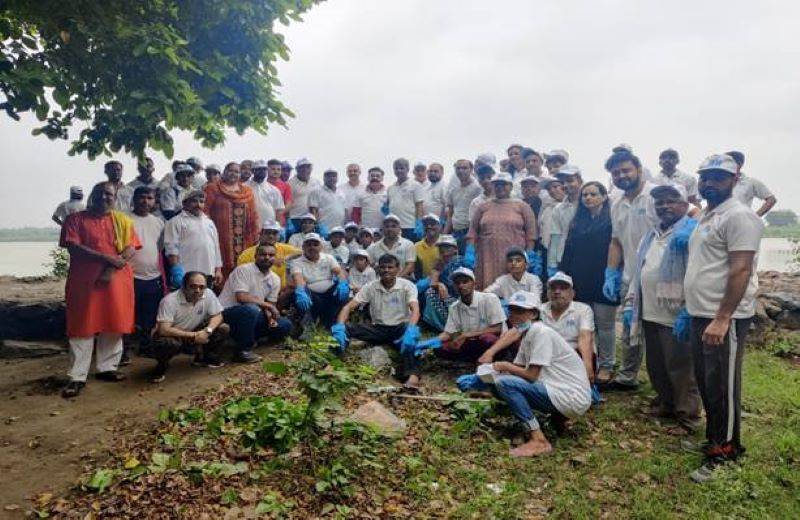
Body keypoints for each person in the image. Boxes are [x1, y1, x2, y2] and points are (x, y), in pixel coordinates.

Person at [683, 154, 764, 482]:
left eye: (718, 177)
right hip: (701, 312)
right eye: (705, 177)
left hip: (723, 316)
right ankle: (714, 438)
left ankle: (726, 453)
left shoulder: (741, 216)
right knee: (707, 381)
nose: (709, 183)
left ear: (735, 179)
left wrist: (723, 317)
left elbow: (741, 268)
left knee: (723, 385)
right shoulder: (709, 215)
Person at [470, 291, 591, 457]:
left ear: (534, 313)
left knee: (504, 384)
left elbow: (531, 375)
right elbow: (516, 368)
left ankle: (538, 439)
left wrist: (505, 367)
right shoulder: (528, 335)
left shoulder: (540, 332)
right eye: (512, 311)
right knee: (499, 383)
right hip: (563, 391)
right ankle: (558, 421)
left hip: (572, 396)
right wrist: (485, 375)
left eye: (521, 311)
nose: (515, 316)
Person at [624, 184, 700, 434]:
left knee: (681, 367)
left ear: (684, 203)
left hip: (676, 315)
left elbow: (697, 273)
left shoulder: (691, 232)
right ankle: (667, 404)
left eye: (671, 201)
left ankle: (687, 417)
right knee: (657, 364)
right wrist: (631, 302)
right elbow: (640, 269)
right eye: (659, 202)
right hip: (649, 311)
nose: (664, 206)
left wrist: (689, 309)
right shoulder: (652, 234)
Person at [59, 182, 140, 398]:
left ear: (115, 198)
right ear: (91, 196)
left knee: (114, 323)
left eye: (109, 194)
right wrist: (105, 258)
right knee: (82, 325)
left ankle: (107, 368)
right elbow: (73, 246)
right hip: (84, 282)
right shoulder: (75, 219)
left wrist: (115, 264)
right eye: (100, 193)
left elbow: (132, 246)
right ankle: (77, 376)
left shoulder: (123, 220)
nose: (105, 197)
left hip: (117, 280)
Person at [603, 149, 659, 390]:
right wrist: (611, 272)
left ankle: (665, 388)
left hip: (658, 276)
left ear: (638, 168)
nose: (621, 176)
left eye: (626, 170)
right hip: (629, 278)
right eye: (616, 173)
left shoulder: (655, 195)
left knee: (658, 334)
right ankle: (628, 377)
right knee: (629, 330)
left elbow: (688, 215)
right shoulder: (617, 203)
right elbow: (616, 241)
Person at [331, 254, 421, 388]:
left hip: (400, 327)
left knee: (410, 342)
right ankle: (334, 360)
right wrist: (339, 326)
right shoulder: (371, 286)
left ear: (397, 269)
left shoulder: (407, 286)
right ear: (378, 269)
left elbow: (415, 310)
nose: (386, 270)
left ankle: (412, 377)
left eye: (390, 267)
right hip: (378, 328)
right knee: (345, 329)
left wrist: (411, 329)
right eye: (383, 267)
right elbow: (348, 307)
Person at [559, 181, 617, 383]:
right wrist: (564, 275)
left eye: (593, 194)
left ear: (604, 196)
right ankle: (588, 361)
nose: (588, 198)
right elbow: (568, 250)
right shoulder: (577, 222)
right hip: (580, 279)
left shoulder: (611, 220)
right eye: (585, 195)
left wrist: (614, 274)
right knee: (585, 324)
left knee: (605, 324)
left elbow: (617, 247)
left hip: (604, 278)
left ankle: (607, 365)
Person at [413, 267, 507, 368]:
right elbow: (447, 334)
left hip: (494, 344)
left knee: (486, 338)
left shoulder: (489, 299)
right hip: (472, 343)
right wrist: (425, 344)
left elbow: (498, 328)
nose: (461, 286)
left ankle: (489, 359)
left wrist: (467, 335)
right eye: (457, 283)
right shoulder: (455, 307)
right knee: (440, 348)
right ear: (454, 286)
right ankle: (471, 360)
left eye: (465, 282)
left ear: (474, 284)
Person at [149, 272, 229, 382]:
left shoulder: (208, 294)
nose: (198, 290)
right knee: (166, 343)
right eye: (193, 286)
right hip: (174, 334)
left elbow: (218, 315)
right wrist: (194, 335)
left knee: (223, 328)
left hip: (194, 330)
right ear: (184, 286)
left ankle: (205, 358)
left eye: (202, 287)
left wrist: (207, 331)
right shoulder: (169, 301)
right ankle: (161, 365)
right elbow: (164, 329)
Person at [220, 244, 292, 363]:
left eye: (271, 255)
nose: (267, 257)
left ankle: (246, 337)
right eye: (263, 254)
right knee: (251, 309)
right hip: (229, 313)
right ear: (255, 256)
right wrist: (268, 306)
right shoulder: (243, 269)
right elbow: (241, 297)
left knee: (284, 325)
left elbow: (271, 304)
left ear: (275, 258)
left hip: (253, 314)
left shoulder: (275, 279)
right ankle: (242, 351)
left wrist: (270, 319)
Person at [466, 172, 538, 289]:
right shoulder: (483, 207)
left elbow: (531, 235)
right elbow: (472, 233)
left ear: (511, 186)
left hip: (513, 258)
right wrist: (470, 252)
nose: (500, 187)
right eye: (497, 184)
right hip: (487, 257)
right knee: (488, 290)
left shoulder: (523, 207)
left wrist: (529, 253)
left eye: (504, 184)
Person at [203, 162, 260, 280]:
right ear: (224, 172)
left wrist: (255, 235)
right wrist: (207, 232)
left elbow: (253, 215)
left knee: (242, 271)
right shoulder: (213, 188)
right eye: (230, 170)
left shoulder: (247, 192)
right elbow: (205, 211)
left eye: (237, 171)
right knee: (220, 268)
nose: (233, 174)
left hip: (244, 239)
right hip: (219, 237)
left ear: (240, 175)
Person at [539, 272, 596, 385]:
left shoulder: (583, 310)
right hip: (547, 356)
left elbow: (585, 338)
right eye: (553, 288)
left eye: (563, 288)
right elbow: (519, 330)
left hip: (574, 355)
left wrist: (587, 366)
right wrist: (492, 352)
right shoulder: (539, 310)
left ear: (572, 293)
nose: (557, 292)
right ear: (548, 293)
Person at [128, 187, 165, 360]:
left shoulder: (158, 222)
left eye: (149, 198)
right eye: (141, 197)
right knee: (128, 314)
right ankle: (122, 351)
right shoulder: (125, 220)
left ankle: (145, 346)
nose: (145, 201)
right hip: (130, 276)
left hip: (153, 277)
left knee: (149, 316)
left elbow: (161, 250)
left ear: (154, 201)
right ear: (134, 199)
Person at [163, 190, 223, 290]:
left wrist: (218, 270)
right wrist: (177, 272)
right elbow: (171, 249)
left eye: (202, 201)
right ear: (184, 203)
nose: (198, 205)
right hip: (186, 275)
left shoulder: (209, 222)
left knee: (204, 304)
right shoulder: (175, 222)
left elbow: (216, 248)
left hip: (208, 273)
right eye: (194, 201)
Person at [291, 233, 350, 329]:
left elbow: (339, 272)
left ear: (321, 246)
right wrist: (300, 290)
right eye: (308, 245)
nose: (312, 247)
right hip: (311, 295)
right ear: (303, 247)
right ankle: (307, 327)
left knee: (343, 291)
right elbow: (298, 279)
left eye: (315, 244)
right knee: (300, 295)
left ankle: (336, 323)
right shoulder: (297, 262)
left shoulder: (328, 258)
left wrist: (343, 283)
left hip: (329, 293)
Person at [418, 234, 466, 331]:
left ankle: (455, 326)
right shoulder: (439, 264)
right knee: (429, 291)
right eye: (441, 247)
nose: (443, 250)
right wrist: (439, 284)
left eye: (447, 247)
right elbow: (432, 282)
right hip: (448, 298)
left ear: (455, 249)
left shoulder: (462, 262)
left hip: (464, 300)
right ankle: (441, 326)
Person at [237, 221, 301, 289]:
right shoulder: (246, 254)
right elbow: (241, 275)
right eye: (267, 233)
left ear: (279, 235)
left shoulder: (282, 248)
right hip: (255, 291)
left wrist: (285, 258)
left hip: (280, 291)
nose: (271, 236)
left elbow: (301, 252)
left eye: (274, 233)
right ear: (261, 234)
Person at [546, 165, 583, 275]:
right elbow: (555, 237)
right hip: (565, 258)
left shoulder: (590, 203)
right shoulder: (559, 209)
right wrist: (552, 264)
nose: (566, 185)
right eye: (563, 182)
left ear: (580, 181)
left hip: (588, 257)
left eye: (570, 181)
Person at [444, 159, 482, 252]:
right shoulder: (453, 190)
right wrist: (444, 234)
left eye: (464, 168)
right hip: (456, 232)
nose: (461, 171)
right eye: (458, 168)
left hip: (472, 231)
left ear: (471, 169)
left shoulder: (478, 188)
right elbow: (450, 214)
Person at [726, 151, 777, 216]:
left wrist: (755, 217)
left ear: (739, 165)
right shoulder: (718, 183)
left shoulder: (750, 182)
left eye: (727, 162)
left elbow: (771, 199)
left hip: (741, 223)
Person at [367, 214, 416, 279]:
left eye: (393, 226)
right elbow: (368, 267)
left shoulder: (408, 244)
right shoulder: (373, 247)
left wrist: (396, 279)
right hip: (379, 282)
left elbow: (410, 266)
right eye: (387, 226)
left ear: (399, 229)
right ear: (382, 229)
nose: (390, 229)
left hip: (403, 281)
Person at [387, 158, 425, 240]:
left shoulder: (415, 185)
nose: (399, 170)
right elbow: (388, 205)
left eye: (401, 168)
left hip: (410, 226)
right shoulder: (391, 188)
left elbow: (419, 206)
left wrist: (419, 223)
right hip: (394, 227)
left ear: (407, 169)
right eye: (396, 168)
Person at [247, 159, 286, 226]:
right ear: (253, 171)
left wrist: (278, 227)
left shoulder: (274, 189)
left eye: (264, 169)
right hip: (250, 226)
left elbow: (279, 210)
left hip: (269, 228)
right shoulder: (245, 187)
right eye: (259, 169)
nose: (262, 171)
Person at [537, 177, 564, 268]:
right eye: (549, 189)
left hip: (564, 251)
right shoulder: (547, 208)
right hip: (547, 249)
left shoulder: (573, 206)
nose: (552, 191)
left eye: (556, 187)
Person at [309, 169, 346, 233]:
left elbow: (344, 211)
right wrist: (316, 226)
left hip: (339, 229)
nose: (331, 178)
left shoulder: (341, 193)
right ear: (324, 178)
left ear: (337, 179)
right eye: (329, 176)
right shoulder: (316, 191)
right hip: (323, 228)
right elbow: (313, 210)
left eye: (334, 176)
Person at [287, 158, 321, 223]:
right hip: (295, 218)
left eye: (308, 167)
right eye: (302, 167)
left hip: (312, 220)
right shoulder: (290, 184)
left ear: (311, 169)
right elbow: (287, 203)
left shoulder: (317, 183)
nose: (305, 170)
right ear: (297, 169)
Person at [414, 213, 443, 278]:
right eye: (426, 224)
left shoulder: (447, 242)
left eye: (432, 224)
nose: (429, 226)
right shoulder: (416, 246)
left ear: (440, 226)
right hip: (424, 282)